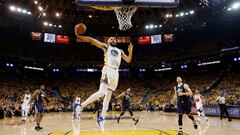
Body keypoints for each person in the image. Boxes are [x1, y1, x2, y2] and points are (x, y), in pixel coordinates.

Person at [75, 28, 134, 129]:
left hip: (116, 73)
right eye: (111, 39)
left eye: (114, 39)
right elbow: (92, 40)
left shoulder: (120, 51)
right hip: (108, 69)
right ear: (108, 41)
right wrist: (80, 36)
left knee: (108, 97)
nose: (113, 40)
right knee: (102, 92)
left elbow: (128, 60)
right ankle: (81, 105)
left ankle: (101, 118)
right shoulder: (106, 47)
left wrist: (131, 51)